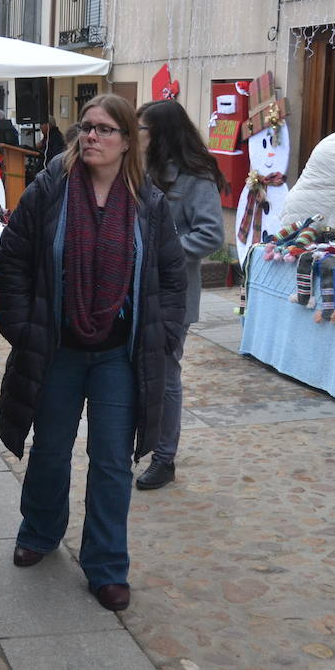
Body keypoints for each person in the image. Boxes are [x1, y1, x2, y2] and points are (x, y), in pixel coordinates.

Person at [0, 94, 187, 612]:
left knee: (111, 462)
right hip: (58, 350)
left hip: (118, 357)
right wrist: (21, 327)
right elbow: (9, 259)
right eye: (86, 128)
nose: (91, 138)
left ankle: (105, 566)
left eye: (103, 130)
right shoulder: (50, 192)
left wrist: (162, 335)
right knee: (51, 448)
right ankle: (39, 531)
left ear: (127, 141)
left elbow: (171, 278)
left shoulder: (149, 203)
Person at [133, 101, 226, 491]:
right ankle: (132, 446)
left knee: (167, 376)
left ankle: (164, 458)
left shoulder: (195, 177)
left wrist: (162, 251)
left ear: (161, 133)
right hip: (133, 289)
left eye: (141, 128)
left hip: (173, 293)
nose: (135, 134)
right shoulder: (139, 170)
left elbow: (211, 234)